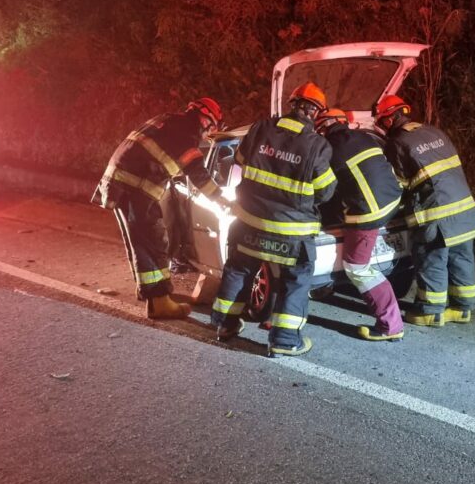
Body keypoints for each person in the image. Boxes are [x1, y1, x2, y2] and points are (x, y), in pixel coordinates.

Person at [210, 82, 336, 357]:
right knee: (296, 278)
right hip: (291, 231)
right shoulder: (317, 145)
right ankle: (285, 340)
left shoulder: (260, 128)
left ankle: (225, 326)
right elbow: (326, 191)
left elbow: (240, 161)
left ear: (292, 105)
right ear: (315, 113)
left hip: (249, 221)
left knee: (239, 270)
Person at [92, 97, 225, 319]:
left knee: (138, 242)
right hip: (135, 188)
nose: (206, 134)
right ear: (206, 121)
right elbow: (199, 176)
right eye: (210, 128)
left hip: (119, 184)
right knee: (152, 242)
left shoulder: (168, 121)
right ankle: (159, 301)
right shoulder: (186, 135)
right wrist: (223, 200)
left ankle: (148, 293)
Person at [374, 95, 475, 328]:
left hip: (436, 212)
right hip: (463, 206)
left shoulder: (397, 143)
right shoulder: (434, 132)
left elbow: (398, 184)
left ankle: (431, 311)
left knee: (431, 257)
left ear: (387, 121)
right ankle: (462, 308)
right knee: (461, 256)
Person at [315, 108, 404, 341]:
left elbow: (326, 192)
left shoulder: (328, 149)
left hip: (368, 212)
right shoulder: (364, 136)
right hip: (394, 200)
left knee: (357, 267)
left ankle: (390, 324)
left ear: (323, 127)